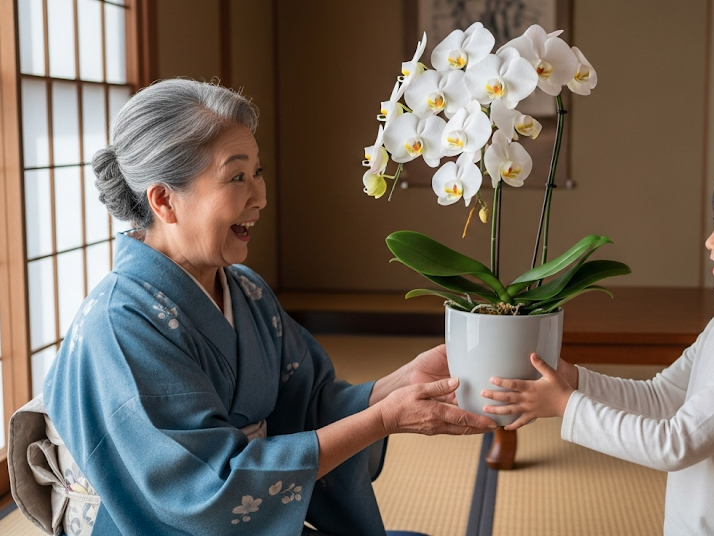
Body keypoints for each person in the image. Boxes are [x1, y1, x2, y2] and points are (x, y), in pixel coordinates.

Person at [42, 78, 496, 536]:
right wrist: (383, 418)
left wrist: (393, 387)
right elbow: (206, 491)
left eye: (257, 172)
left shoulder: (247, 291)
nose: (260, 197)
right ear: (164, 200)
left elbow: (308, 407)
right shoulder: (120, 323)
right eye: (237, 177)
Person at [481, 146, 714, 535]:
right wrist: (575, 382)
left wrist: (566, 405)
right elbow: (663, 397)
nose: (711, 241)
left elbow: (674, 444)